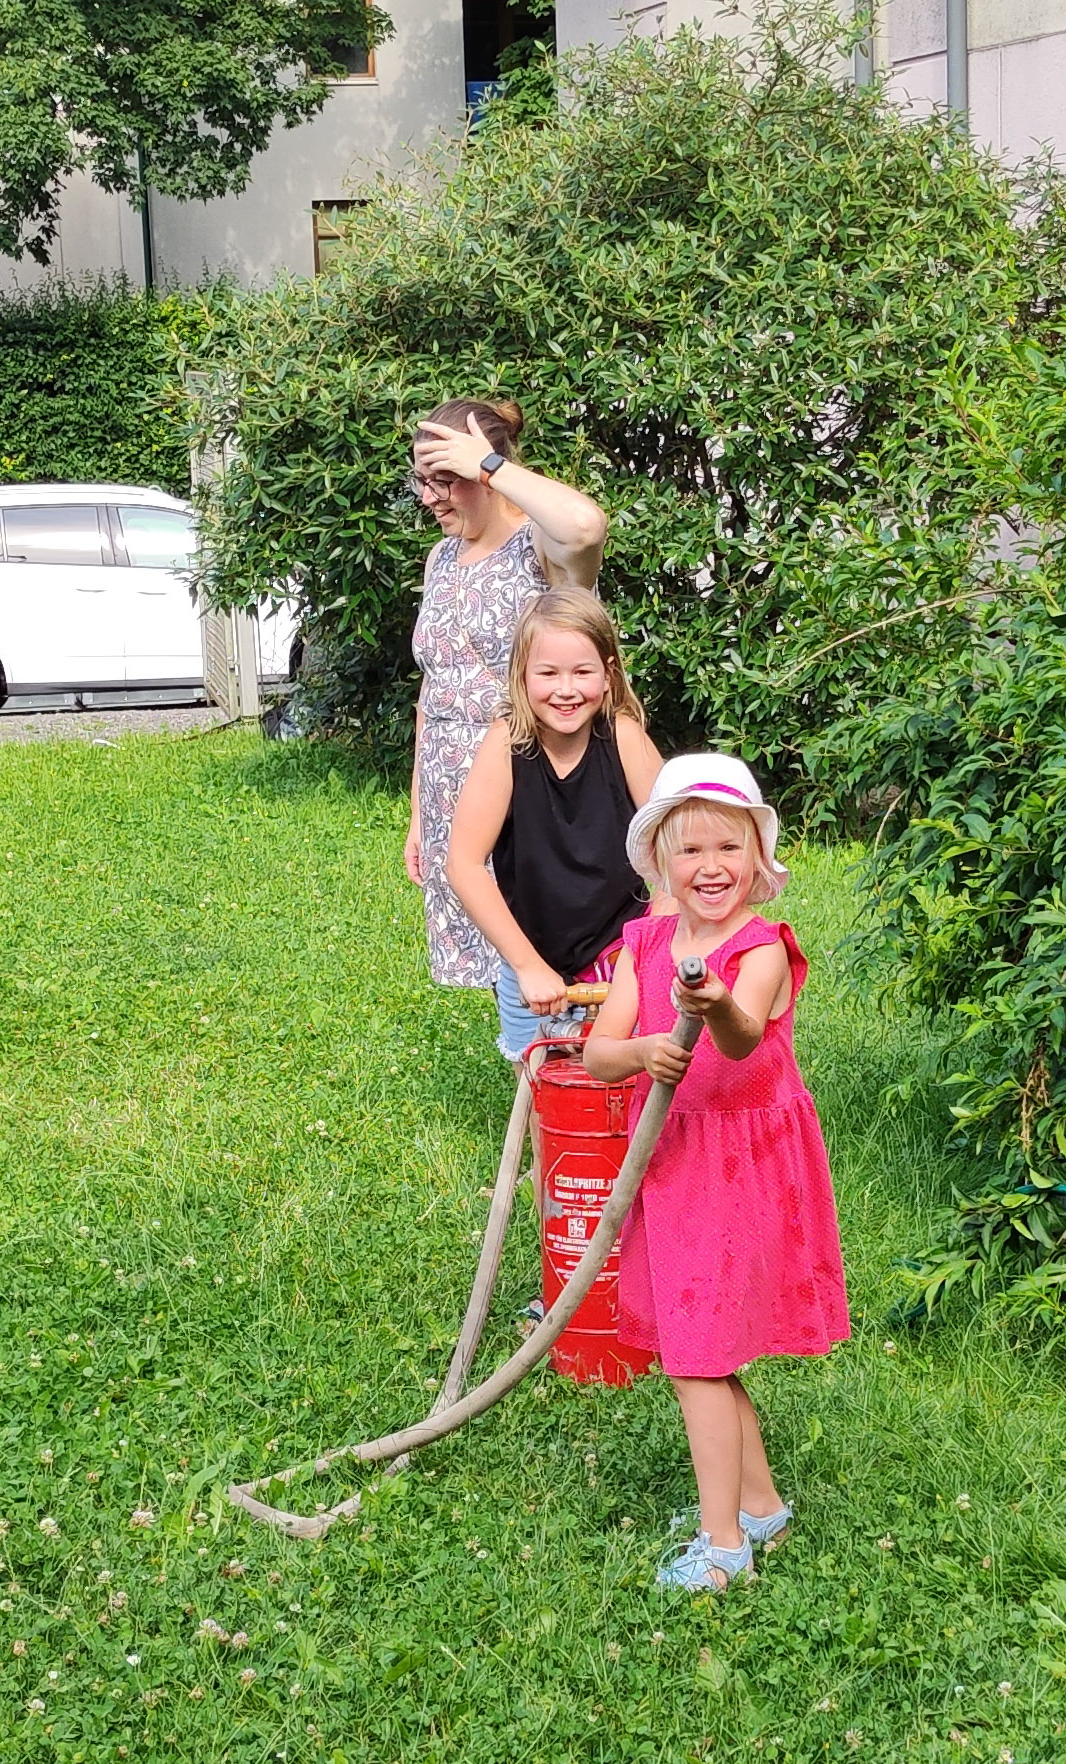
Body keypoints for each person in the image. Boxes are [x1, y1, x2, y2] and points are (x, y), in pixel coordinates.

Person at [582, 754, 851, 1592]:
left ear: (757, 858)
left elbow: (741, 1040)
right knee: (702, 1344)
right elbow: (598, 1056)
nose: (711, 866)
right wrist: (644, 1049)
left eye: (728, 848)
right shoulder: (644, 944)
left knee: (696, 1355)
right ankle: (760, 1505)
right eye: (691, 849)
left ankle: (724, 1544)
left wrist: (715, 1004)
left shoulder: (759, 948)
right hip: (672, 1162)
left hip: (741, 1169)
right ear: (661, 860)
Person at [400, 397, 610, 988]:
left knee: (546, 954)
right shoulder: (442, 558)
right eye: (421, 481)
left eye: (445, 479)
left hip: (526, 784)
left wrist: (489, 464)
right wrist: (420, 813)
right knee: (503, 972)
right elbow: (435, 685)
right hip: (448, 789)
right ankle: (533, 1050)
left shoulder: (540, 550)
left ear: (485, 472)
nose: (429, 498)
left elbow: (586, 525)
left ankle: (570, 1050)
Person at [444, 588, 664, 1065]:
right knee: (542, 1090)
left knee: (629, 1087)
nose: (566, 689)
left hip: (621, 953)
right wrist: (527, 965)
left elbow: (675, 850)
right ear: (522, 676)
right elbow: (463, 863)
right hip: (532, 956)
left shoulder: (625, 738)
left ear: (608, 674)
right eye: (548, 673)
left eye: (582, 672)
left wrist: (648, 952)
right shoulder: (506, 745)